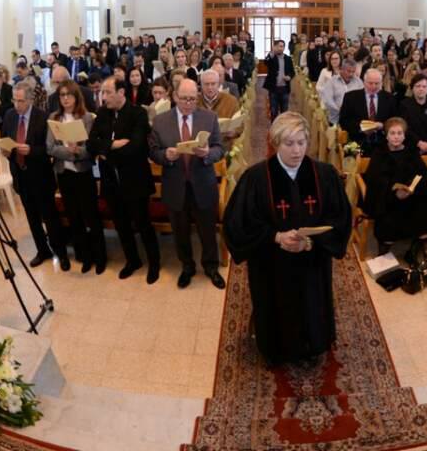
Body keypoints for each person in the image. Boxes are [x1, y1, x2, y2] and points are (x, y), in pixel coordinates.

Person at [223, 112, 351, 364]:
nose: (296, 151)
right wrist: (276, 237)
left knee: (312, 304)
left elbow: (341, 218)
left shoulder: (324, 175)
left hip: (312, 261)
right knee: (274, 306)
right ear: (275, 143)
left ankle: (311, 346)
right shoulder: (256, 178)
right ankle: (275, 349)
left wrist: (312, 241)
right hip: (271, 263)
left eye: (301, 142)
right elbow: (238, 223)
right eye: (289, 143)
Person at [149, 79, 225, 289]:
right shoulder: (161, 121)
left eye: (192, 99)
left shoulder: (209, 118)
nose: (188, 103)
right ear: (174, 97)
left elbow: (220, 148)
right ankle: (187, 267)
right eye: (184, 99)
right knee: (180, 231)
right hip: (175, 186)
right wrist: (166, 155)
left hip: (203, 184)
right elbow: (153, 151)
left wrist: (208, 153)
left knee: (207, 231)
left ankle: (211, 267)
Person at [87, 77, 161, 283]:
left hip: (135, 180)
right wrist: (113, 145)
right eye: (103, 92)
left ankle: (154, 263)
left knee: (143, 224)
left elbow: (137, 148)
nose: (104, 97)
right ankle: (133, 260)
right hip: (111, 181)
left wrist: (106, 151)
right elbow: (91, 144)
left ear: (121, 93)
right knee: (121, 225)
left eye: (108, 92)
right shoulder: (102, 114)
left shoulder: (137, 114)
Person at [1, 80, 70, 269]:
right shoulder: (9, 115)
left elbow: (48, 150)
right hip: (20, 175)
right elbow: (6, 139)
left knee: (50, 217)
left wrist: (31, 150)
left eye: (21, 101)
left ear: (30, 99)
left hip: (40, 176)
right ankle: (42, 250)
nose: (17, 105)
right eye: (14, 100)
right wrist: (7, 152)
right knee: (32, 217)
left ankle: (61, 252)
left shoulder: (42, 117)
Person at [46, 80, 106, 274]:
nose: (65, 99)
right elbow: (50, 147)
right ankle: (85, 256)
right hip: (64, 173)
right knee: (74, 217)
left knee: (91, 216)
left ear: (76, 96)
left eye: (68, 95)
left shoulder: (86, 117)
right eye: (62, 95)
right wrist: (68, 151)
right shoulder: (55, 118)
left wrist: (78, 151)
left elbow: (90, 149)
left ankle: (100, 256)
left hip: (83, 172)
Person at [362, 117, 427, 256]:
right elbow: (374, 180)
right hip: (387, 200)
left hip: (412, 197)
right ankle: (383, 255)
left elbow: (421, 175)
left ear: (404, 135)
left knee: (424, 219)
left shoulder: (411, 152)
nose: (396, 137)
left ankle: (413, 253)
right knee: (388, 222)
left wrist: (410, 190)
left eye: (399, 133)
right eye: (392, 133)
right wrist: (394, 192)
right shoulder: (379, 153)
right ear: (386, 135)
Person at [338, 68, 398, 155]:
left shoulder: (389, 98)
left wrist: (383, 126)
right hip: (356, 140)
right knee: (351, 158)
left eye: (377, 83)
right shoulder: (350, 97)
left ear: (381, 83)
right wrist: (361, 128)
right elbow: (343, 121)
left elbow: (394, 121)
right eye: (370, 83)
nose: (373, 86)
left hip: (383, 141)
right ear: (364, 82)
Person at [399, 74, 427, 154]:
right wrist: (419, 143)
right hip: (411, 148)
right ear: (412, 88)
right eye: (418, 86)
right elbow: (405, 128)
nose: (421, 89)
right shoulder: (404, 106)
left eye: (424, 86)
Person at [321, 58, 363, 125]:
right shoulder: (332, 82)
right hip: (336, 120)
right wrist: (339, 109)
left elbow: (362, 99)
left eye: (353, 71)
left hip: (353, 121)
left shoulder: (358, 82)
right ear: (342, 69)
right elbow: (327, 100)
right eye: (348, 71)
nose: (351, 74)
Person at [263, 39, 295, 120]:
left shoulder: (288, 59)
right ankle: (274, 129)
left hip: (285, 88)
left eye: (282, 46)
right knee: (273, 111)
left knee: (284, 111)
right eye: (279, 46)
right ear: (275, 47)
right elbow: (266, 62)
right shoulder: (272, 57)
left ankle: (283, 129)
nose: (280, 48)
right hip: (274, 88)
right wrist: (272, 52)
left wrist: (289, 77)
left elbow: (292, 72)